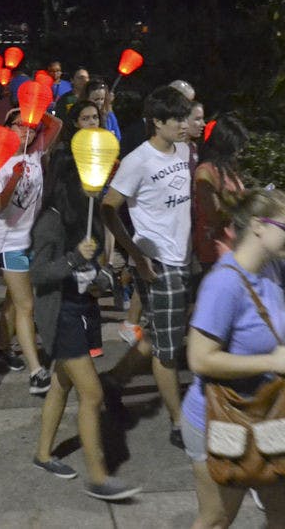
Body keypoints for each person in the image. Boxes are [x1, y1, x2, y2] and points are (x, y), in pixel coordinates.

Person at [182, 188, 285, 528]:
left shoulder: (273, 269)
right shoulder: (223, 284)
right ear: (257, 227)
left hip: (269, 410)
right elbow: (200, 360)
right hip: (220, 416)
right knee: (218, 518)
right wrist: (271, 362)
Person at [30, 147, 142, 501]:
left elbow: (94, 269)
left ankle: (43, 454)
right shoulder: (50, 220)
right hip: (61, 313)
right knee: (91, 394)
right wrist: (72, 258)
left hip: (82, 309)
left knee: (62, 385)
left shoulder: (86, 216)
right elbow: (39, 272)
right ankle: (98, 477)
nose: (96, 183)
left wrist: (102, 277)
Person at [101, 85, 193, 448]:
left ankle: (113, 382)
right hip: (157, 262)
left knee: (160, 336)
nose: (184, 125)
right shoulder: (138, 160)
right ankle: (179, 423)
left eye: (187, 118)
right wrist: (135, 255)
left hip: (183, 257)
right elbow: (109, 206)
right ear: (157, 122)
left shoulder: (184, 150)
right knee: (169, 350)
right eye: (178, 120)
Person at [0, 108, 62, 394]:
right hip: (9, 242)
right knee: (26, 305)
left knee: (13, 300)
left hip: (33, 239)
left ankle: (2, 347)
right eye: (20, 125)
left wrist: (34, 107)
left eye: (30, 126)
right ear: (7, 128)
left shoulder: (34, 153)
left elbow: (57, 124)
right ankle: (36, 370)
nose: (27, 131)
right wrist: (14, 179)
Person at [193, 114, 248, 274]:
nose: (240, 151)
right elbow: (214, 215)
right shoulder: (205, 173)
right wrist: (245, 204)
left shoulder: (225, 168)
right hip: (217, 248)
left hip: (235, 243)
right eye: (237, 146)